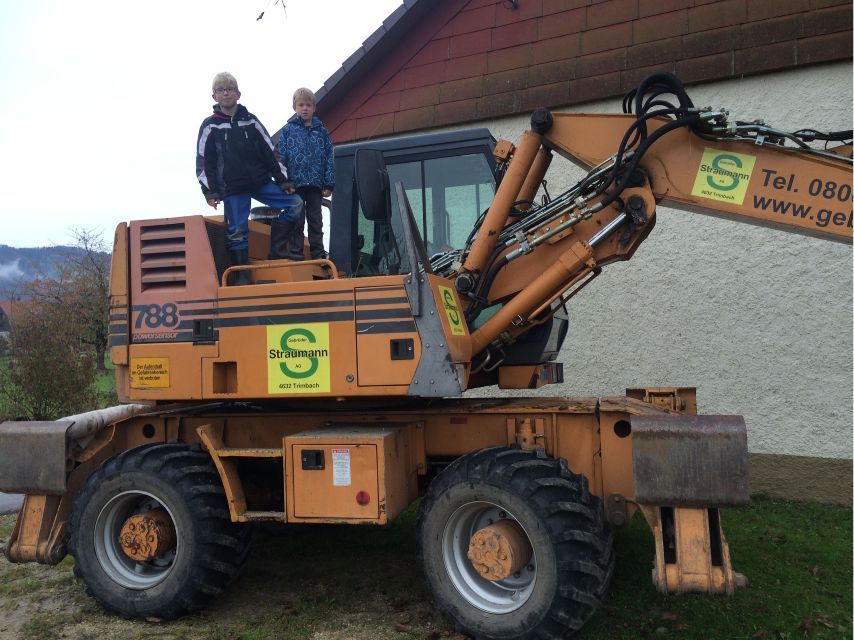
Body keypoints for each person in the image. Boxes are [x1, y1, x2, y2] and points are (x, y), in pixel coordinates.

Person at [196, 72, 304, 284]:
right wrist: (210, 192)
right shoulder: (210, 126)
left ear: (238, 94)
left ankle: (277, 248)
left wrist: (283, 181)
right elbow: (203, 162)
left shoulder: (251, 121)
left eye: (229, 89)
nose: (226, 93)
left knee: (296, 204)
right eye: (221, 90)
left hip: (260, 182)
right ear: (214, 97)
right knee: (237, 230)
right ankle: (243, 275)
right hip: (232, 188)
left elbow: (270, 152)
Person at [277, 87, 335, 260]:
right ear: (294, 107)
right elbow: (281, 157)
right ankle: (296, 252)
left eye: (308, 105)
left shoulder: (322, 132)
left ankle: (318, 253)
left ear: (314, 108)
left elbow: (329, 158)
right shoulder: (288, 131)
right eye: (301, 105)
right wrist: (284, 181)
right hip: (295, 184)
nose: (305, 108)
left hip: (316, 184)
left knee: (315, 220)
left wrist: (329, 183)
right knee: (297, 219)